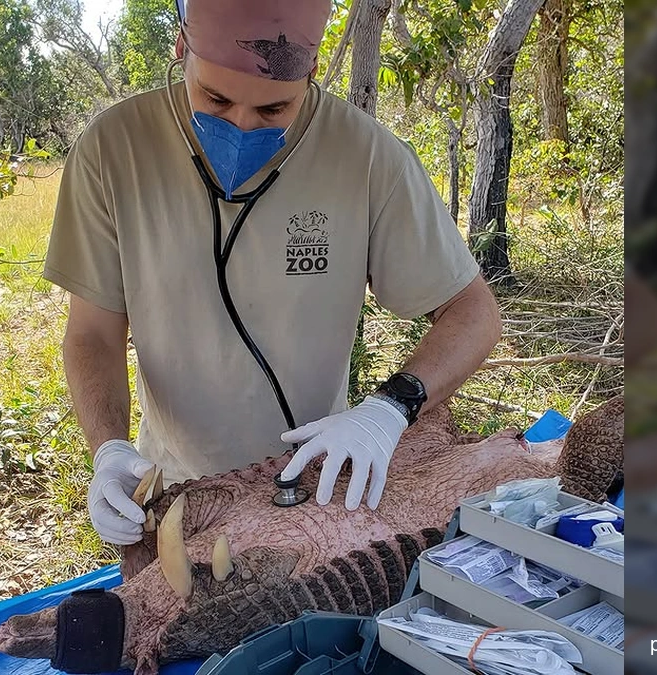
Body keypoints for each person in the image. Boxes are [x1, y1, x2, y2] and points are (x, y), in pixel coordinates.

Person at [47, 0, 502, 546]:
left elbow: (472, 312)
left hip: (314, 492)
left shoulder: (366, 158)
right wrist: (108, 450)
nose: (241, 125)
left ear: (310, 74)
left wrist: (387, 410)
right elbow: (92, 334)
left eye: (274, 109)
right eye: (215, 99)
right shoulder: (114, 149)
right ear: (180, 49)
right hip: (172, 498)